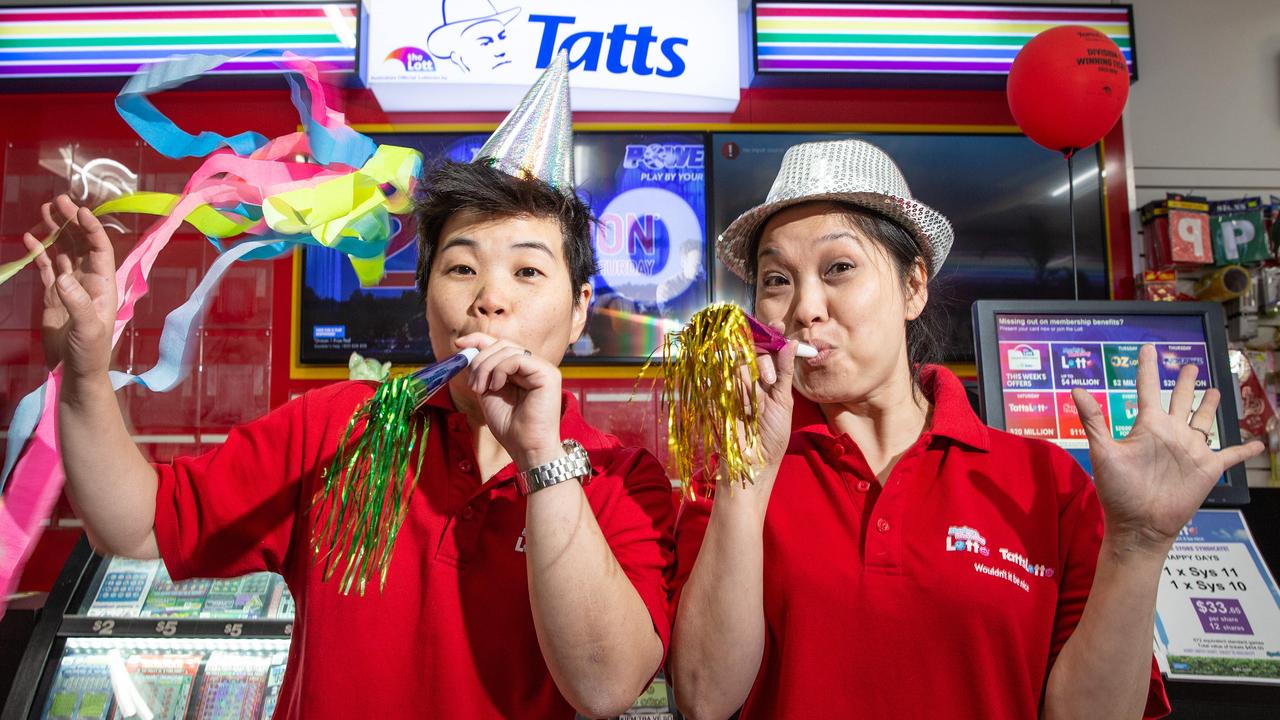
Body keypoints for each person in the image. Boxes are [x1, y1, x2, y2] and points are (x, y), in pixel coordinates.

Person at [24, 57, 673, 719]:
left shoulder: (625, 482)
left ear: (581, 307)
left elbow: (604, 688)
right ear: (426, 300)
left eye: (528, 272)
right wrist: (81, 377)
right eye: (460, 267)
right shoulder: (340, 427)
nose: (489, 300)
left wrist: (541, 456)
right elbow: (134, 527)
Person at [667, 138, 1262, 719]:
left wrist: (1137, 546)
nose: (804, 307)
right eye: (776, 280)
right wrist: (745, 483)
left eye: (840, 267)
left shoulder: (1045, 485)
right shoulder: (731, 474)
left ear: (913, 286)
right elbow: (703, 698)